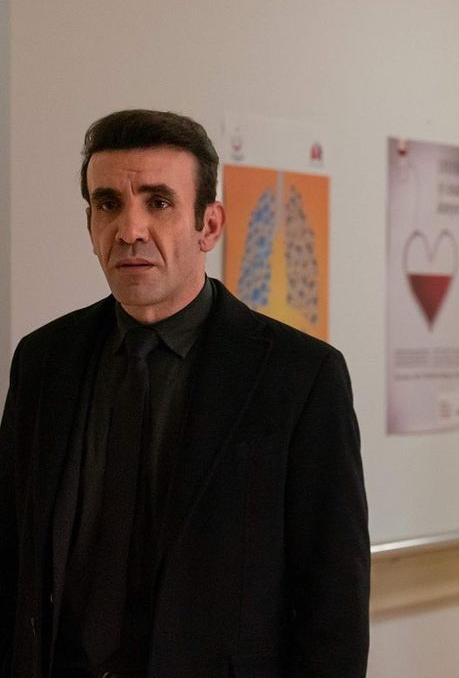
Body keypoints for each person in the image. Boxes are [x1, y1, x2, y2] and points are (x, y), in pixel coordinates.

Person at [0, 109, 370, 678]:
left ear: (209, 225)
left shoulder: (299, 377)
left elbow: (333, 604)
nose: (130, 230)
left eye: (159, 203)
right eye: (108, 204)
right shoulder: (44, 360)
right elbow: (13, 550)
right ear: (91, 224)